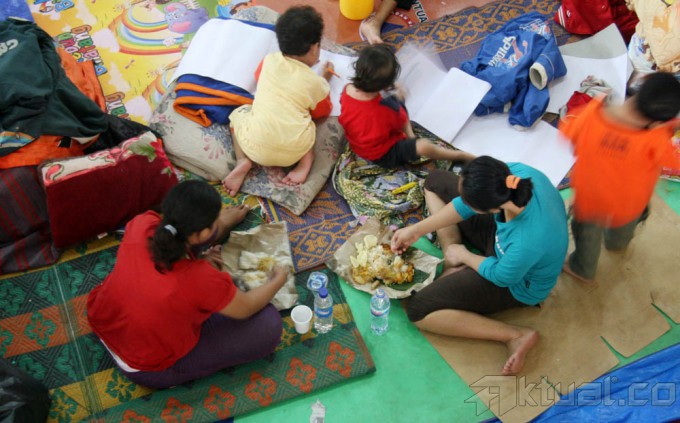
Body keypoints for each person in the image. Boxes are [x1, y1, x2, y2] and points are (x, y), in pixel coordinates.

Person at [87, 180, 287, 389]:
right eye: (214, 221)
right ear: (202, 233)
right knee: (268, 324)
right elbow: (245, 307)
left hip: (105, 319)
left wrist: (223, 224)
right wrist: (278, 279)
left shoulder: (142, 223)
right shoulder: (202, 279)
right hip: (145, 366)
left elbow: (177, 255)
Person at [391, 156, 569, 375]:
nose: (463, 204)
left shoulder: (528, 240)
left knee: (418, 310)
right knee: (434, 182)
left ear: (491, 209)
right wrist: (416, 230)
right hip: (504, 242)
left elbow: (502, 275)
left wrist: (465, 255)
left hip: (517, 283)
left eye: (470, 205)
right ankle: (452, 257)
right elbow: (462, 206)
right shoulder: (512, 175)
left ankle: (515, 335)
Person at [560, 72, 680, 282]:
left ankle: (582, 269)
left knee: (587, 234)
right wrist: (669, 129)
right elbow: (673, 162)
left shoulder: (591, 114)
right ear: (659, 121)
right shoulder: (656, 138)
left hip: (590, 199)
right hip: (629, 204)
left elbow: (567, 132)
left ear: (639, 89)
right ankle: (616, 245)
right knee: (623, 228)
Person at [222, 5, 335, 196]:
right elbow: (322, 111)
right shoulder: (316, 83)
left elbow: (258, 77)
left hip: (254, 147)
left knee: (237, 115)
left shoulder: (268, 61)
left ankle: (243, 160)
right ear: (314, 48)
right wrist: (325, 78)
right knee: (308, 124)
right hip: (294, 152)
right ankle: (305, 162)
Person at [339, 44, 473, 169]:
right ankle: (460, 156)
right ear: (386, 85)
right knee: (423, 146)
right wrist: (400, 98)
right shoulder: (386, 109)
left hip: (357, 145)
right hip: (383, 155)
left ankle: (410, 137)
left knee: (395, 102)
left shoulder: (347, 90)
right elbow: (400, 122)